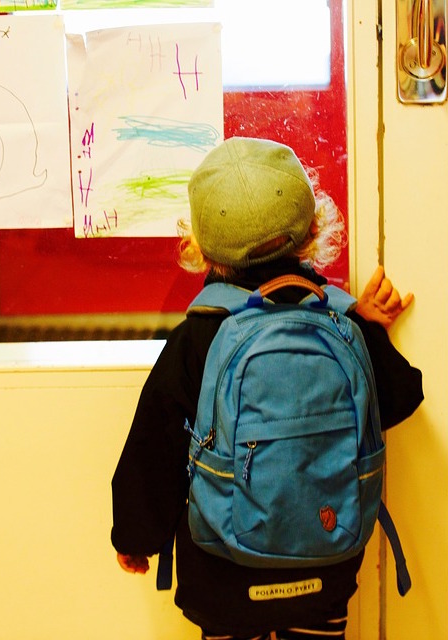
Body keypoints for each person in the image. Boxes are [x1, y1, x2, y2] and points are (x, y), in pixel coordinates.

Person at [111, 137, 424, 640]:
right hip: (327, 564)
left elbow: (153, 450)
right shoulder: (340, 325)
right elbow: (401, 397)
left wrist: (134, 536)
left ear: (199, 248)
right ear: (314, 228)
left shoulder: (198, 339)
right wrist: (367, 329)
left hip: (223, 574)